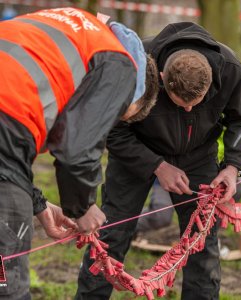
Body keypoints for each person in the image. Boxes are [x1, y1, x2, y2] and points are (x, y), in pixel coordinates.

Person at [76, 22, 241, 300]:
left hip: (199, 155)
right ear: (161, 77)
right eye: (180, 103)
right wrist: (157, 166)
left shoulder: (230, 69)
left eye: (195, 103)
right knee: (110, 236)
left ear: (212, 79)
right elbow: (111, 129)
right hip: (136, 149)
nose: (188, 109)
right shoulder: (135, 66)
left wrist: (233, 167)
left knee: (202, 240)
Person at [0, 7, 159, 300]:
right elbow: (75, 148)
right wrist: (83, 208)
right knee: (6, 284)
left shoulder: (75, 26)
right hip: (6, 125)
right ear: (135, 92)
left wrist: (37, 203)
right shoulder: (121, 66)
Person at [136, 144, 241, 248]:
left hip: (208, 184)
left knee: (234, 189)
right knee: (160, 216)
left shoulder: (238, 135)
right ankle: (124, 229)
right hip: (172, 175)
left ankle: (206, 238)